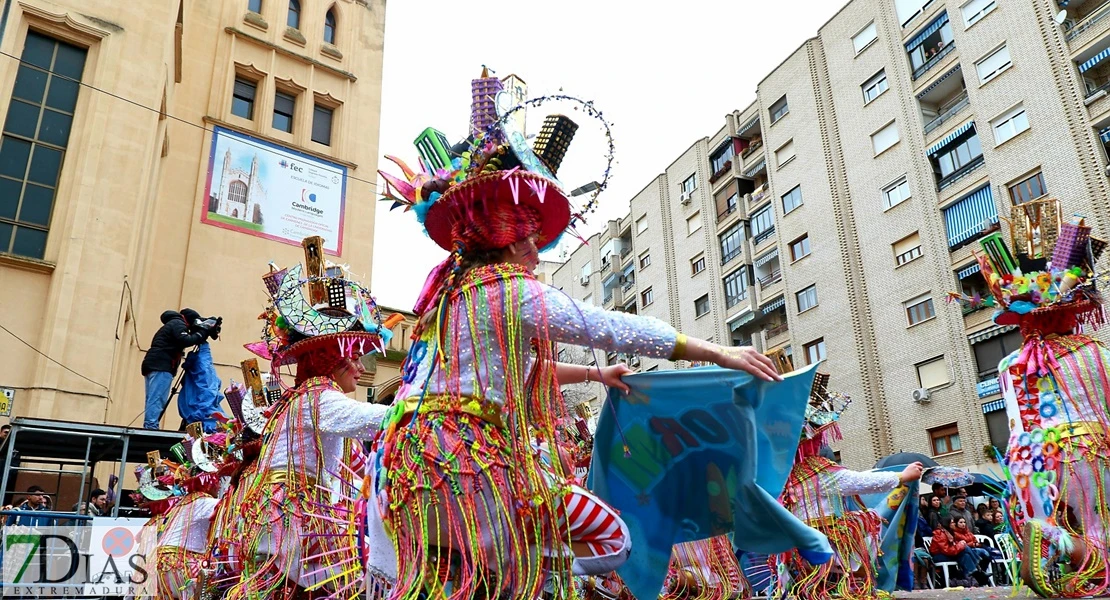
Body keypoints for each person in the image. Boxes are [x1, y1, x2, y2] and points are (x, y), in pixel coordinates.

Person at [374, 75, 783, 600]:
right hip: (468, 460)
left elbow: (520, 373)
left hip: (406, 468)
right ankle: (545, 574)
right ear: (508, 239)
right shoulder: (510, 293)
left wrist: (596, 373)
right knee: (610, 541)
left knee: (463, 582)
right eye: (528, 239)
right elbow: (618, 327)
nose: (536, 253)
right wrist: (717, 351)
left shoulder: (448, 300)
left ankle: (536, 573)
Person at [224, 250, 394, 600]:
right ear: (332, 359)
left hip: (278, 521)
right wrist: (424, 404)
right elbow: (376, 419)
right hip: (297, 522)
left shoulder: (298, 399)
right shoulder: (318, 399)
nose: (361, 369)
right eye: (353, 359)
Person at [773, 372, 923, 600]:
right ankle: (849, 580)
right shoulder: (821, 473)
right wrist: (901, 476)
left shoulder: (784, 476)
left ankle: (810, 584)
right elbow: (861, 482)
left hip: (793, 540)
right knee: (868, 521)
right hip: (824, 537)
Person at [141, 309, 217, 430]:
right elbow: (185, 340)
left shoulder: (173, 323)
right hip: (161, 365)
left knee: (153, 397)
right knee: (157, 399)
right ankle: (151, 427)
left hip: (154, 364)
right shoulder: (178, 323)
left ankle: (150, 425)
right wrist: (202, 332)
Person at [929, 516, 990, 587]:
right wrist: (960, 545)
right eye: (952, 522)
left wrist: (960, 545)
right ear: (946, 523)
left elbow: (953, 546)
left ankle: (972, 577)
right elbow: (947, 550)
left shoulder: (949, 532)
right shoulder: (940, 534)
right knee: (965, 548)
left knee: (966, 555)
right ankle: (978, 571)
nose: (954, 524)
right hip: (940, 555)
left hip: (949, 553)